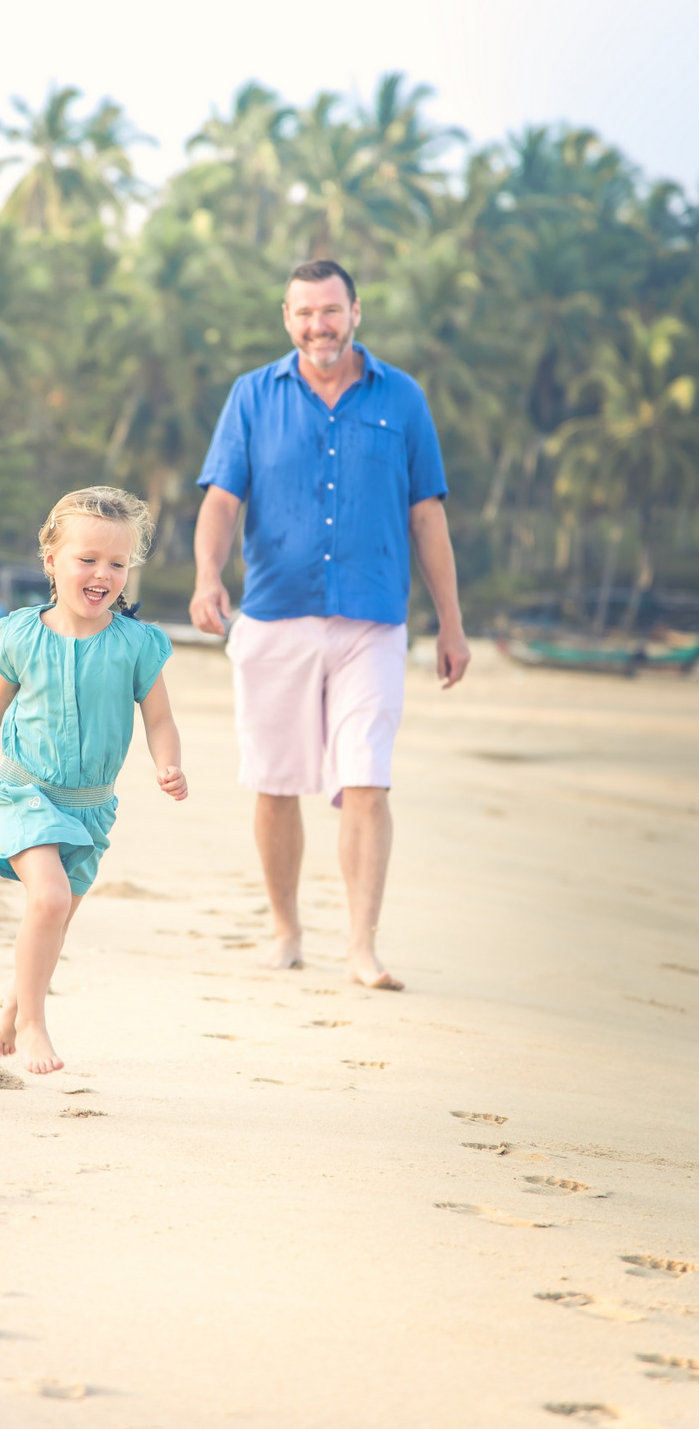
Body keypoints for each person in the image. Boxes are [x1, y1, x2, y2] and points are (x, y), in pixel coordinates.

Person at [189, 259, 470, 989]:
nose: (319, 325)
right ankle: (285, 931)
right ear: (287, 318)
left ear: (355, 313)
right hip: (276, 614)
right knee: (277, 785)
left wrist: (451, 622)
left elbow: (427, 514)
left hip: (373, 621)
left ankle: (361, 946)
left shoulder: (402, 399)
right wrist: (206, 574)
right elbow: (222, 501)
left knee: (367, 780)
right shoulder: (251, 396)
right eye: (304, 313)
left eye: (331, 311)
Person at [0, 487, 187, 1073]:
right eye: (88, 559)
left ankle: (8, 1014)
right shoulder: (21, 635)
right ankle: (31, 1024)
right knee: (47, 899)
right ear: (52, 561)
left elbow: (161, 719)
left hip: (92, 808)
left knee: (54, 920)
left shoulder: (137, 645)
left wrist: (167, 764)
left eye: (118, 564)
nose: (103, 573)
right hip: (26, 790)